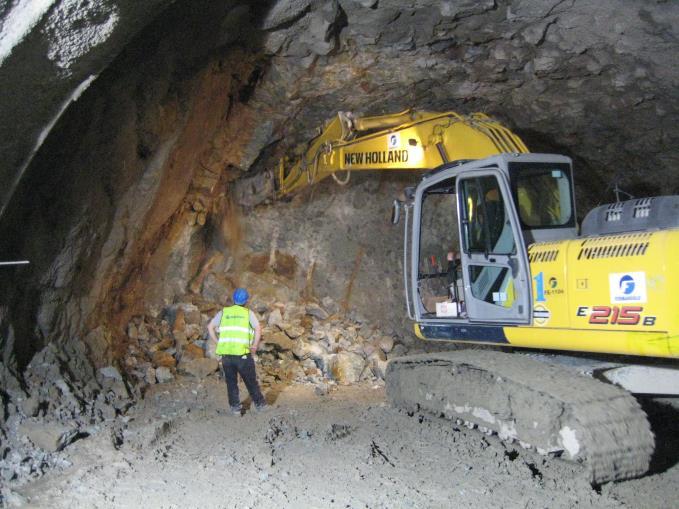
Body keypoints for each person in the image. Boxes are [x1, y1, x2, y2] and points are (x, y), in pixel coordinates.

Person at [207, 287, 267, 415]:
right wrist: (255, 346)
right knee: (251, 381)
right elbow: (258, 329)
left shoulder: (224, 312)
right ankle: (260, 404)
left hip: (227, 355)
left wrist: (218, 342)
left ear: (233, 299)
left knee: (231, 382)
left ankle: (235, 408)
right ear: (246, 301)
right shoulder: (248, 313)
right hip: (242, 355)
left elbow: (210, 327)